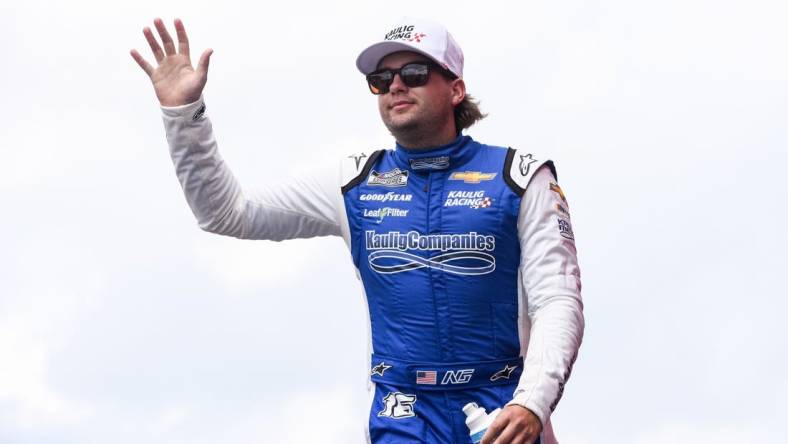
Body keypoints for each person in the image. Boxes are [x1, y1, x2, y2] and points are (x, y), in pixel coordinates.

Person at [131, 16, 584, 444]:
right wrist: (183, 115)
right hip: (403, 414)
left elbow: (558, 300)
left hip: (503, 408)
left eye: (414, 71)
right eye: (381, 80)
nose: (396, 86)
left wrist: (533, 403)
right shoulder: (353, 182)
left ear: (456, 89)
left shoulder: (521, 178)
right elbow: (228, 213)